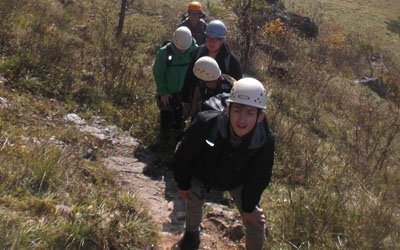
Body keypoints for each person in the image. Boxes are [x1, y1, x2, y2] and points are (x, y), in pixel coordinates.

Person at [173, 77, 275, 250]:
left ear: (260, 117)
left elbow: (259, 176)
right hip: (203, 172)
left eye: (250, 113)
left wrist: (249, 207)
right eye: (237, 110)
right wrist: (183, 184)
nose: (242, 120)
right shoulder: (206, 123)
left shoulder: (264, 140)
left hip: (237, 179)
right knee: (193, 200)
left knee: (256, 222)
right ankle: (191, 237)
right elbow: (183, 155)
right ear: (228, 110)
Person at [181, 20, 242, 112]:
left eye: (214, 40)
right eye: (208, 39)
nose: (210, 43)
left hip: (220, 102)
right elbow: (190, 74)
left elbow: (238, 84)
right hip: (199, 95)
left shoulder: (230, 60)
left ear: (222, 41)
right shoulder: (199, 52)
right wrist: (184, 97)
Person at [152, 26, 198, 140]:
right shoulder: (164, 53)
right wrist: (163, 92)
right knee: (166, 116)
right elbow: (158, 72)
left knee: (181, 117)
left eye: (184, 49)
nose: (182, 51)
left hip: (185, 92)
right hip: (167, 91)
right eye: (179, 48)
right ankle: (164, 139)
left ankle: (177, 138)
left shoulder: (196, 51)